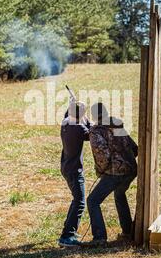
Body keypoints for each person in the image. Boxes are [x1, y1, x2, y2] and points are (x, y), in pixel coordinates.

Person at [86, 103, 138, 246]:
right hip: (131, 170)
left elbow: (102, 155)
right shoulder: (117, 125)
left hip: (115, 172)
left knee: (92, 201)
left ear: (94, 116)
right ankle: (127, 232)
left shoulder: (96, 131)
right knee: (119, 195)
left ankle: (99, 238)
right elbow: (134, 148)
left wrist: (101, 171)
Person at [58, 99, 91, 247]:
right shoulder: (79, 128)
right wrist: (85, 117)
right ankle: (67, 236)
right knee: (80, 201)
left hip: (66, 167)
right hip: (74, 170)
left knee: (76, 198)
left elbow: (68, 113)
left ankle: (69, 228)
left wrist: (73, 106)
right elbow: (92, 132)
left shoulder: (65, 122)